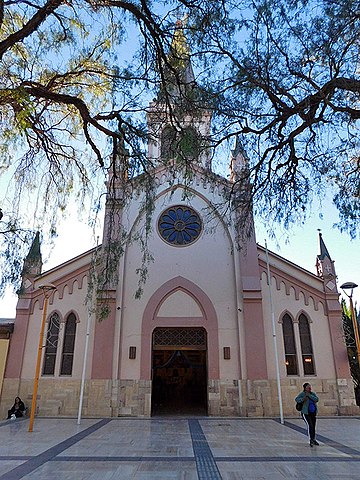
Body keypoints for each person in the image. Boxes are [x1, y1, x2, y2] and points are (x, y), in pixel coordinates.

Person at [295, 382, 319, 447]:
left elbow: (316, 399)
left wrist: (309, 395)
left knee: (313, 426)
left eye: (310, 387)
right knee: (310, 425)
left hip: (313, 413)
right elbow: (297, 399)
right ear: (305, 388)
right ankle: (311, 439)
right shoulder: (302, 394)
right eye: (308, 387)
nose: (309, 388)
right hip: (306, 413)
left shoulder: (312, 394)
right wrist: (303, 399)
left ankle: (313, 439)